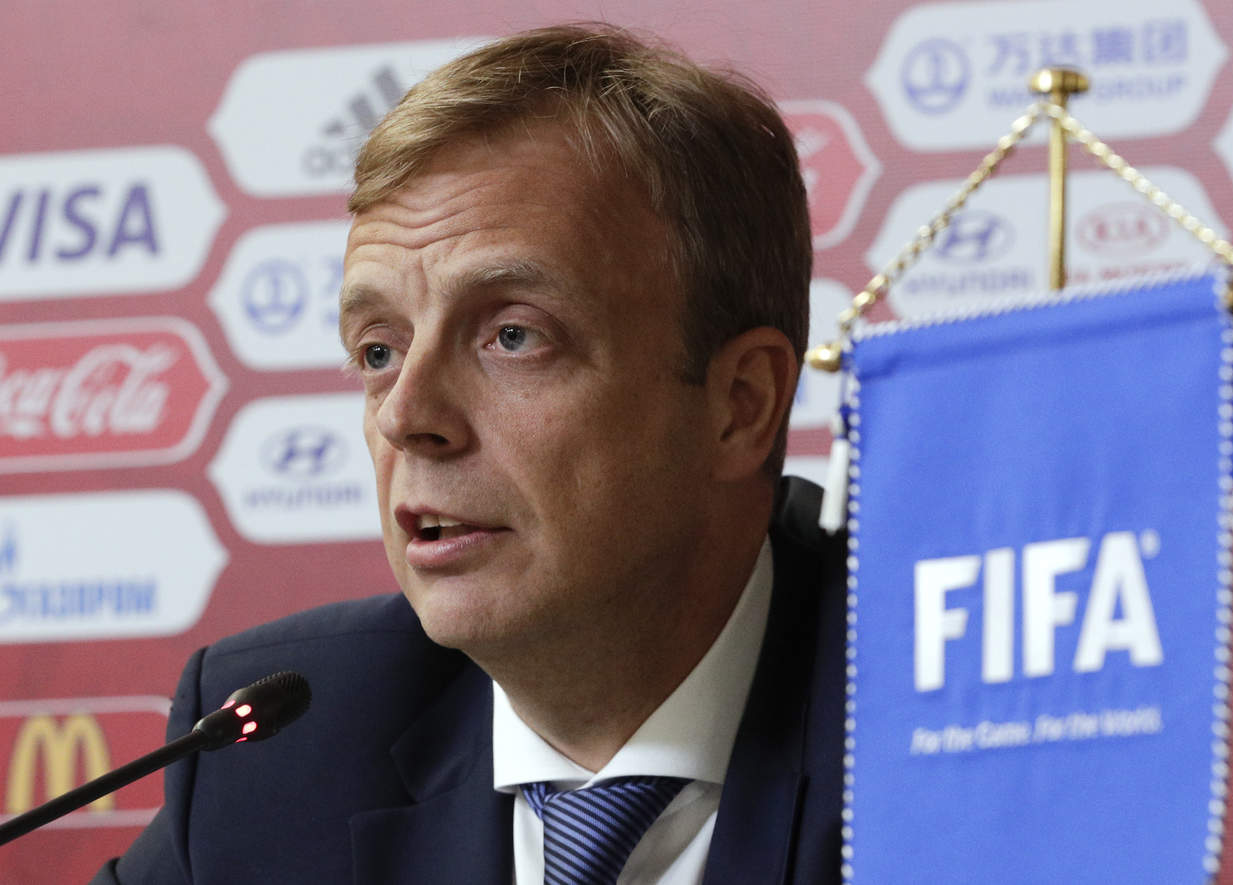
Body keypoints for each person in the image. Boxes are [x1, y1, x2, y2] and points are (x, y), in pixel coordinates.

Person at [93, 23, 844, 884]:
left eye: (513, 336)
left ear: (741, 404)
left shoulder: (933, 719)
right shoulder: (282, 754)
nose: (406, 415)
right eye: (379, 349)